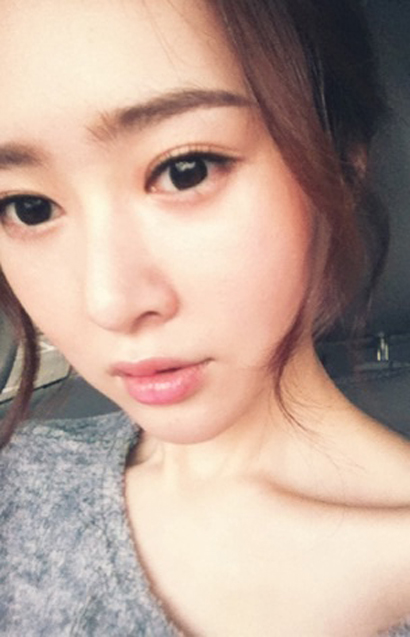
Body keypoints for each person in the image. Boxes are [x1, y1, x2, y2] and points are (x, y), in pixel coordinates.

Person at [0, 0, 409, 634]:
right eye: (28, 207)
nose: (109, 303)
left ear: (341, 164)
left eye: (184, 171)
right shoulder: (18, 480)